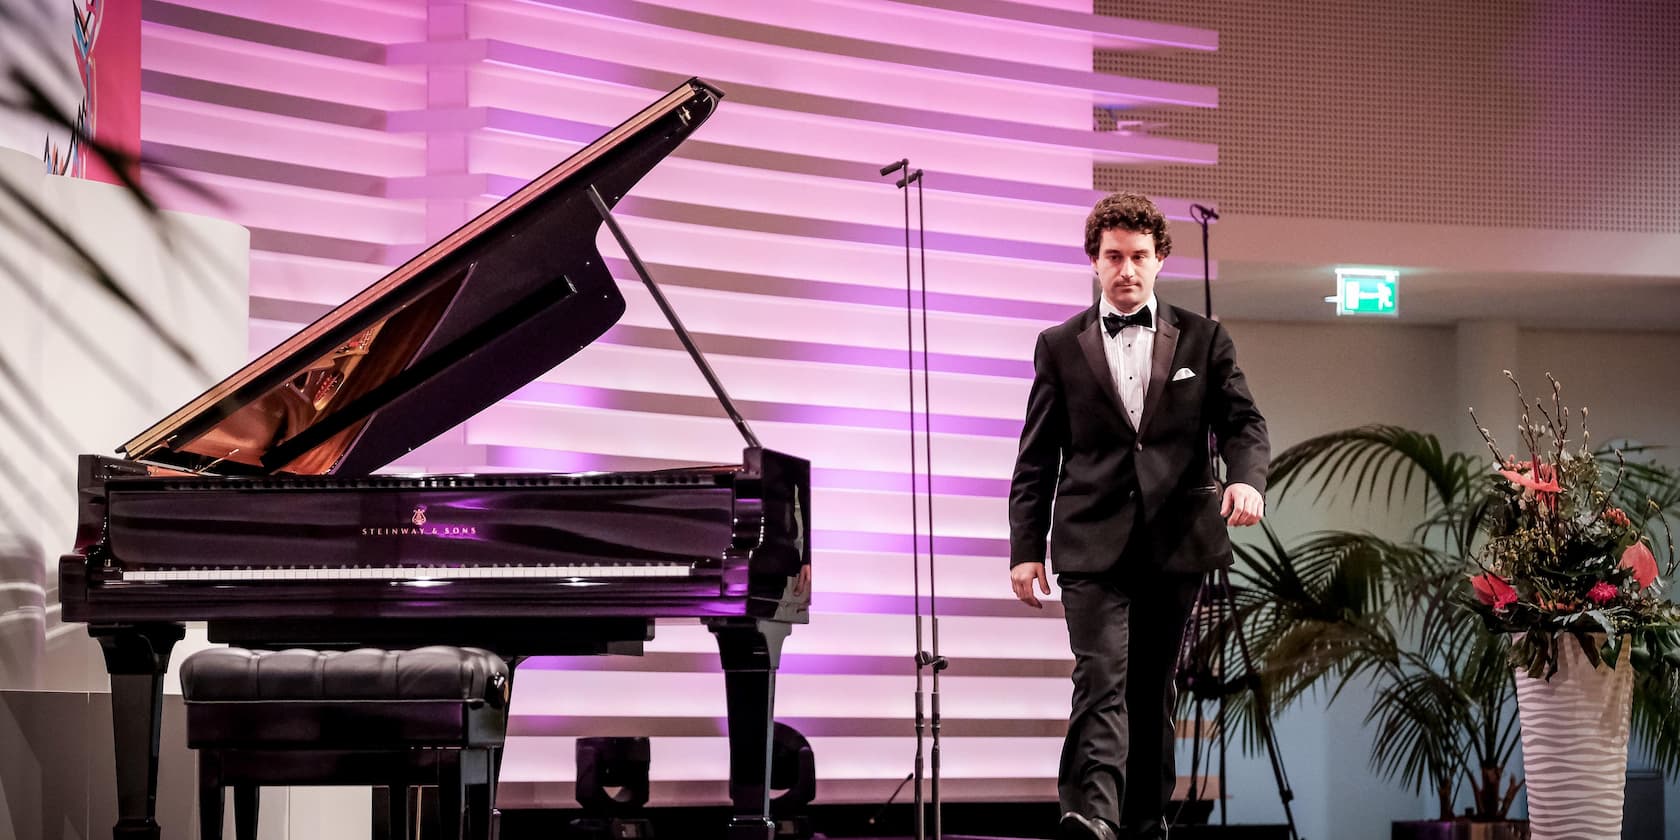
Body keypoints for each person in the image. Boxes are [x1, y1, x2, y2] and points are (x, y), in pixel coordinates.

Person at [1007, 192, 1269, 840]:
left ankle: (1145, 820)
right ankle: (1090, 815)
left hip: (1175, 542)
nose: (1126, 269)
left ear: (1160, 260)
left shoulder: (1205, 340)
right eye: (1113, 256)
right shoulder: (1059, 346)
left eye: (1139, 257)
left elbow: (1244, 425)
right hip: (1089, 542)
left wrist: (1246, 481)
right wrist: (1024, 547)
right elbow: (1036, 456)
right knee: (1100, 674)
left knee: (1152, 689)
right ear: (1094, 261)